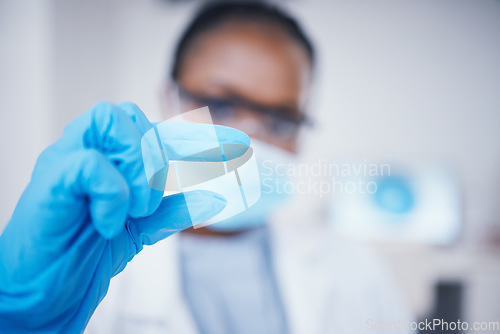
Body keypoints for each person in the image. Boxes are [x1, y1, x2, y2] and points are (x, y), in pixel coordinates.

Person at [0, 2, 413, 333]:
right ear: (169, 99)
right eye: (222, 104)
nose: (250, 139)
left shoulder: (357, 272)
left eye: (281, 120)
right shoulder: (84, 266)